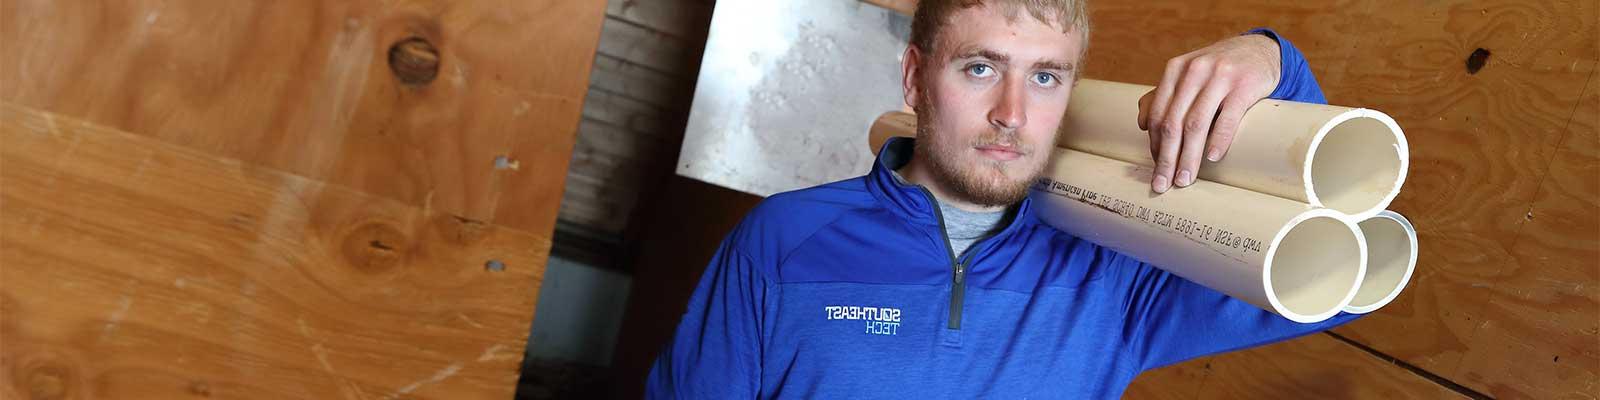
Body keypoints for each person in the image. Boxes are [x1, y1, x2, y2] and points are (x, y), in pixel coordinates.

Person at [647, 0, 1355, 398]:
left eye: (1046, 78)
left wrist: (1274, 62)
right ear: (916, 78)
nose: (1012, 113)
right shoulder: (784, 242)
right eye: (980, 68)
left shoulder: (1112, 273)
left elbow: (1347, 280)